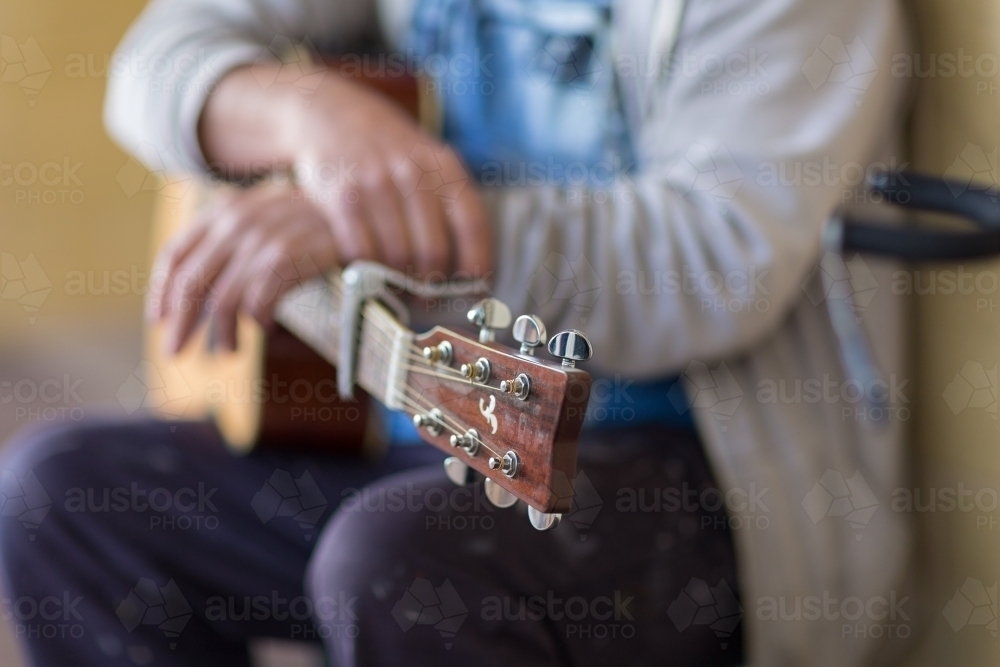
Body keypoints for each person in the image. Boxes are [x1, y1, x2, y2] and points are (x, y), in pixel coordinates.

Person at [0, 0, 917, 665]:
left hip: (701, 495)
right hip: (414, 435)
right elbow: (156, 60)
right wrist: (306, 114)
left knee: (399, 557)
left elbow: (712, 260)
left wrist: (386, 229)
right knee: (64, 495)